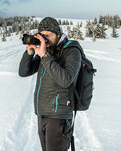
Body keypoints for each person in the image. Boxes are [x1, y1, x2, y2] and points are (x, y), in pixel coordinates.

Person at [19, 17, 81, 151]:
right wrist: (29, 52)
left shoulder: (72, 50)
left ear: (58, 34)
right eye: (42, 36)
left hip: (59, 116)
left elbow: (66, 79)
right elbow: (24, 72)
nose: (45, 39)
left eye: (48, 35)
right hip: (42, 113)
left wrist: (44, 56)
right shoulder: (46, 50)